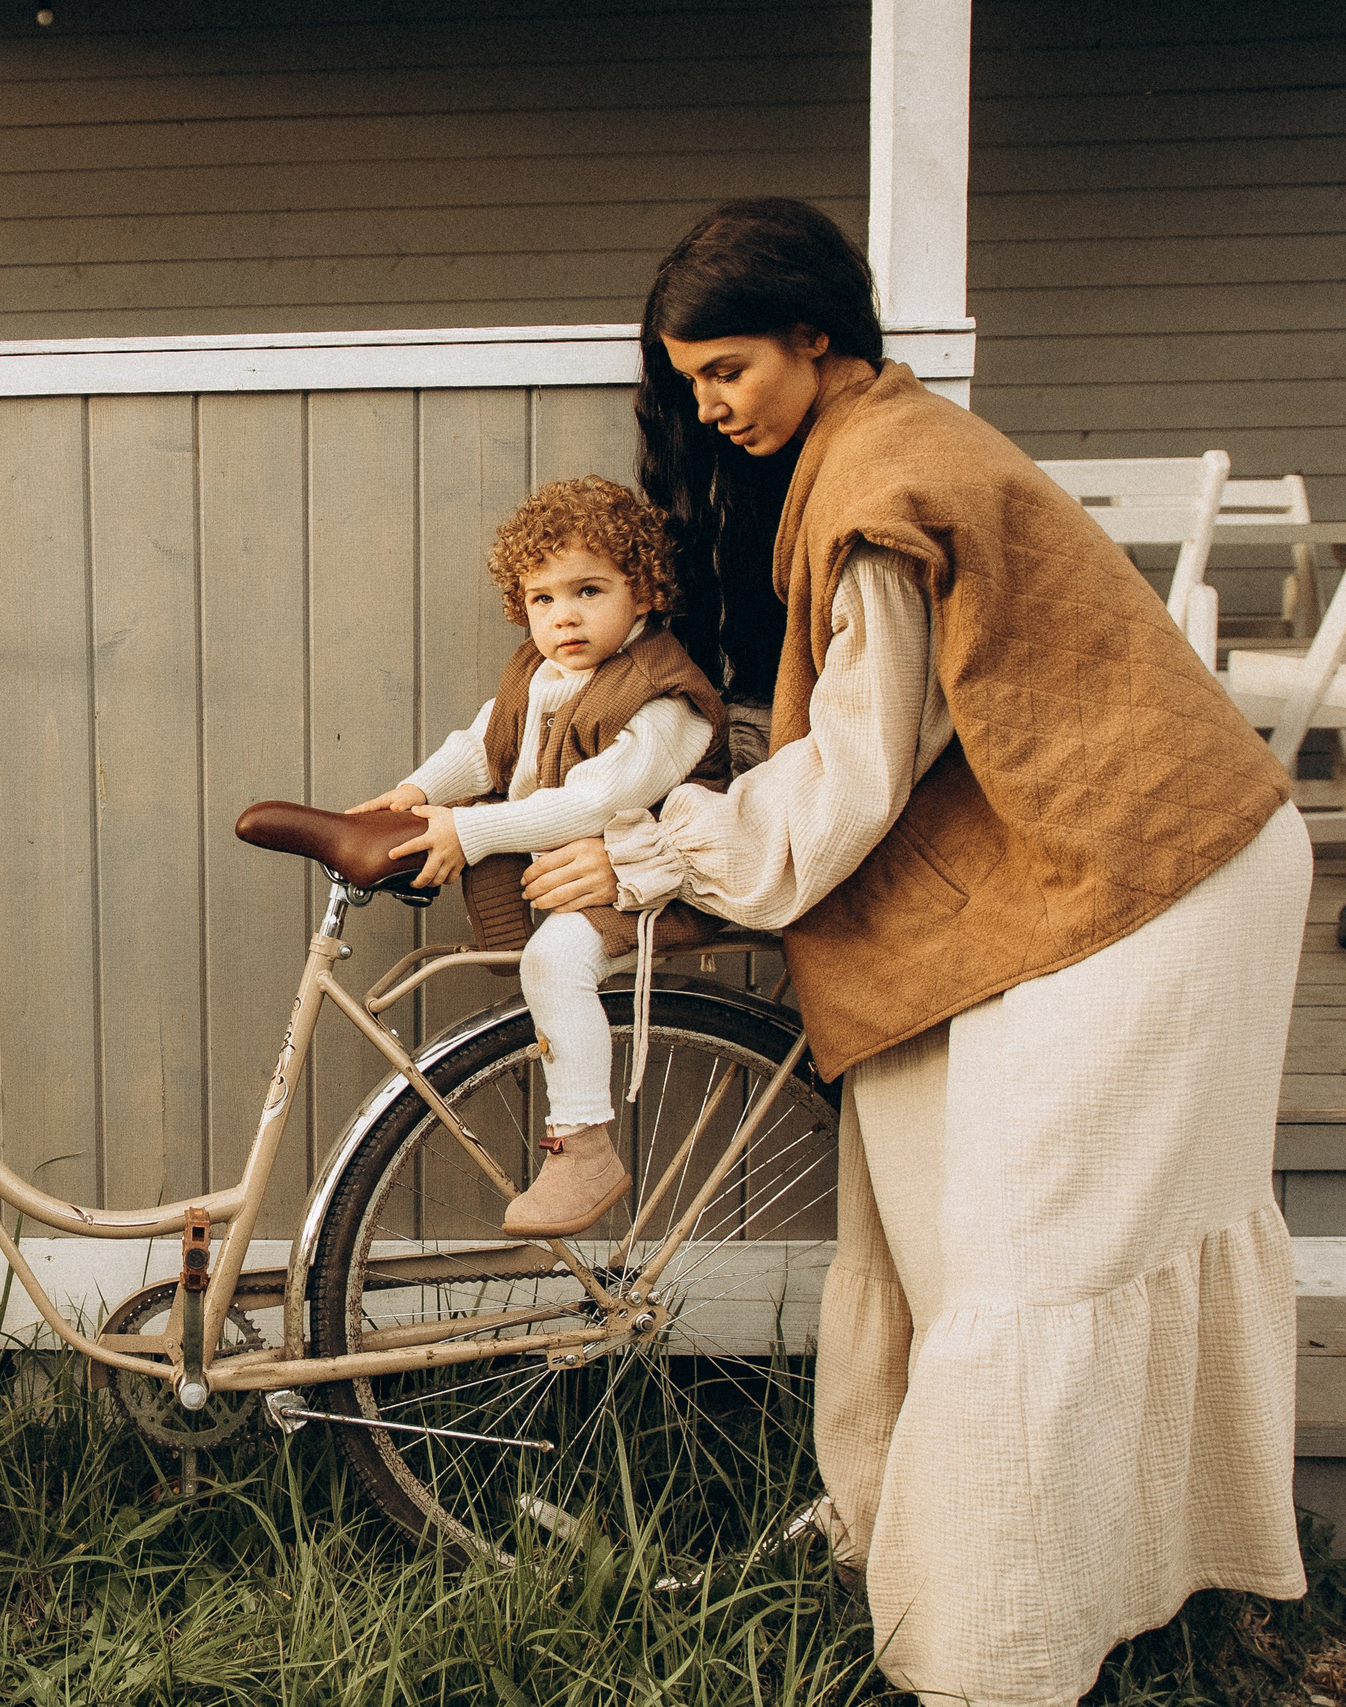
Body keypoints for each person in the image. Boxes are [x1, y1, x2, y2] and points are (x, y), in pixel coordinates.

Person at [516, 197, 1308, 1706]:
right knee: (951, 1230)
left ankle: (996, 1658)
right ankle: (971, 1568)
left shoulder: (886, 484)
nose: (711, 406)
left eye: (731, 366)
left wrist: (654, 849)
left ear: (819, 334)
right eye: (690, 380)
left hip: (1150, 879)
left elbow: (857, 774)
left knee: (1030, 1254)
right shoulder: (866, 451)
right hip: (1093, 863)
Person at [350, 476, 729, 1236]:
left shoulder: (660, 699)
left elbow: (596, 800)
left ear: (645, 592)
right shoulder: (542, 670)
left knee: (555, 963)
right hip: (572, 868)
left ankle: (585, 1146)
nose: (565, 616)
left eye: (589, 590)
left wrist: (473, 833)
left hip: (646, 875)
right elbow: (486, 747)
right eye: (542, 598)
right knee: (540, 961)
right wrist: (414, 791)